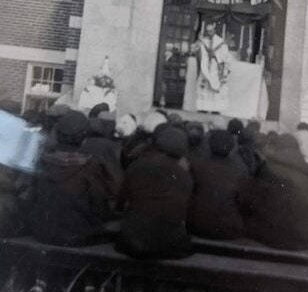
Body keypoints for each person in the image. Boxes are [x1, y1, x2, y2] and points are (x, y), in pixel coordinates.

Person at [29, 110, 113, 246]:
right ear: (83, 137)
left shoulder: (43, 161)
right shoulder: (90, 165)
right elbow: (99, 205)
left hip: (42, 232)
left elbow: (33, 197)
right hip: (76, 234)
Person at [116, 127, 193, 258]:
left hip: (132, 241)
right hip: (166, 244)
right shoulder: (184, 176)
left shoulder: (137, 165)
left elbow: (121, 200)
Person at [188, 130, 246, 239]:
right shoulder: (241, 169)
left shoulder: (197, 164)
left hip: (196, 225)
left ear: (209, 144)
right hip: (227, 229)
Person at [192, 22, 231, 113]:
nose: (209, 33)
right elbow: (194, 49)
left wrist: (216, 55)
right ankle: (203, 107)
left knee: (216, 87)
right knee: (204, 86)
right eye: (207, 31)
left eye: (211, 31)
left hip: (216, 68)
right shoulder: (204, 40)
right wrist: (198, 40)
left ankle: (216, 109)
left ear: (214, 31)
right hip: (205, 67)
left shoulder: (220, 41)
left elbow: (226, 56)